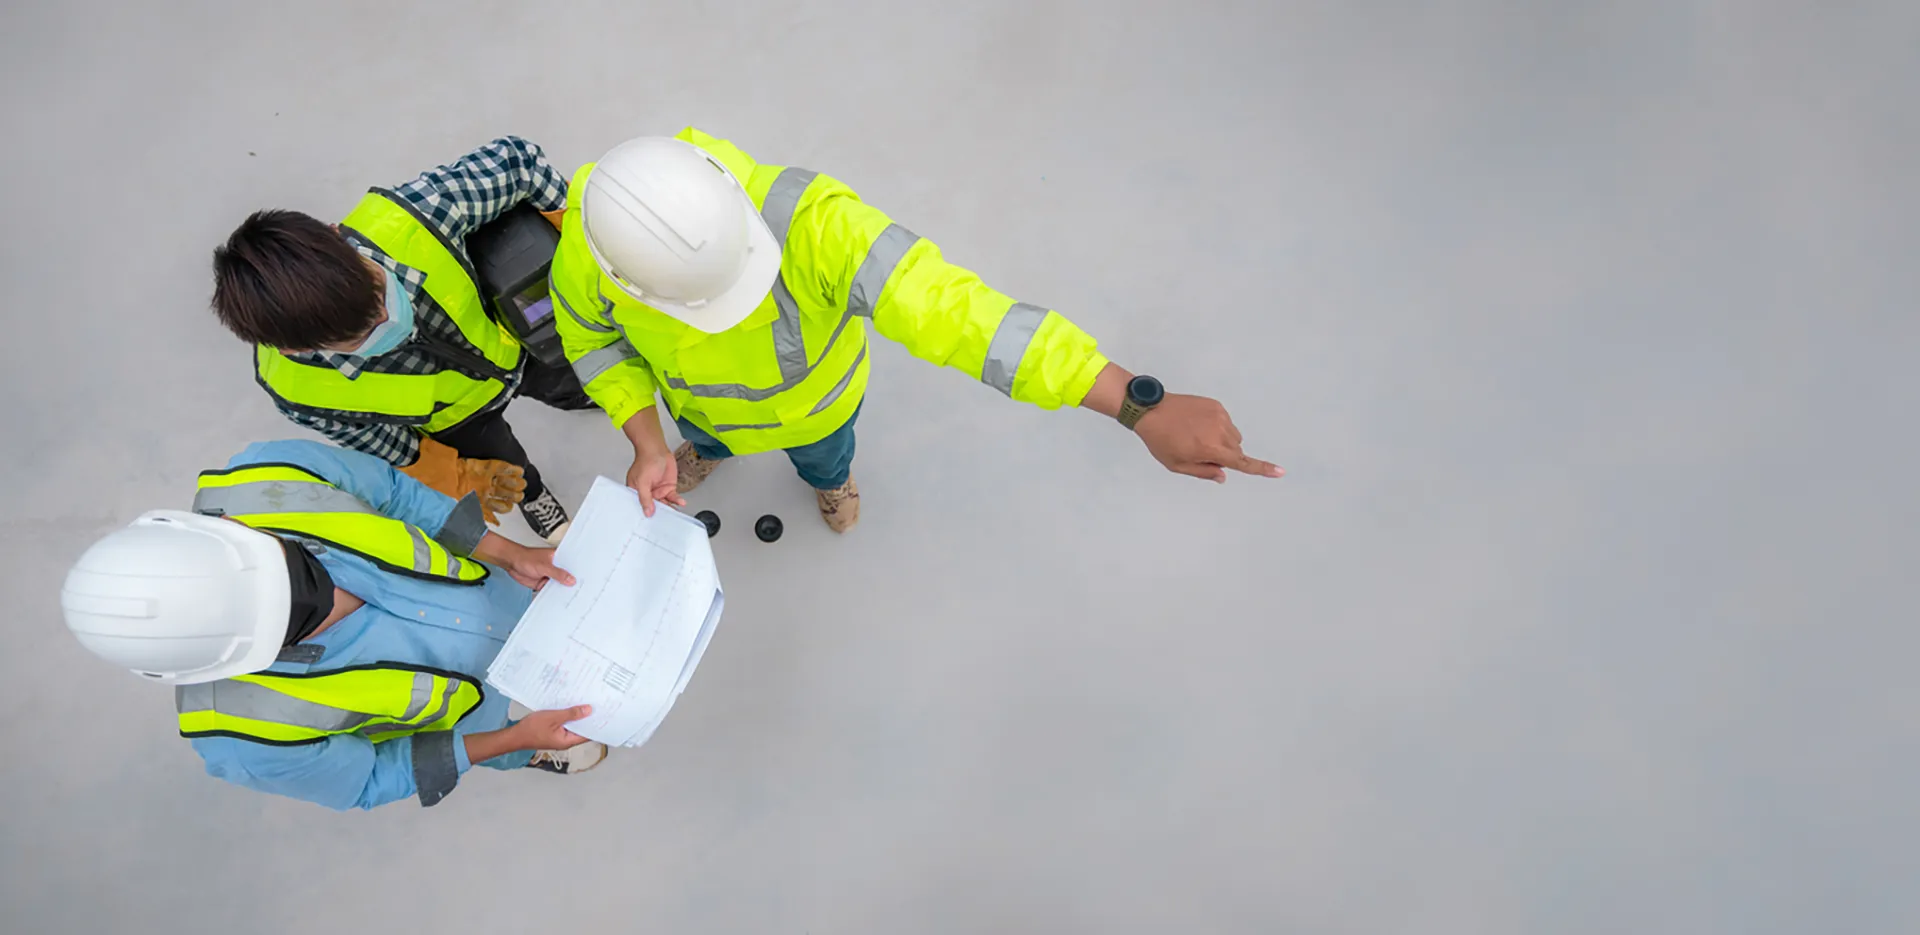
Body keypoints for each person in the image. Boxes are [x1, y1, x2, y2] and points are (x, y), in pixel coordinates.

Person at [549, 127, 1282, 532]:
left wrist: (1133, 401)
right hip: (704, 414)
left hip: (821, 411)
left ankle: (831, 481)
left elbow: (957, 312)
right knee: (703, 441)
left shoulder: (816, 224)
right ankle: (701, 450)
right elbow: (593, 344)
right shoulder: (590, 254)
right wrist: (649, 443)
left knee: (825, 458)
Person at [58, 439, 609, 811]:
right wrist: (515, 737)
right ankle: (531, 752)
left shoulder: (267, 476)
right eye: (292, 619)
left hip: (511, 589)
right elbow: (371, 779)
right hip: (499, 714)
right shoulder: (247, 740)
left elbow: (396, 494)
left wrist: (509, 552)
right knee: (530, 738)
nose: (324, 600)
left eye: (290, 565)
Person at [209, 136, 593, 543]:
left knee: (564, 377)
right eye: (360, 334)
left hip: (510, 341)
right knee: (507, 468)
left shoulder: (415, 218)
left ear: (337, 234)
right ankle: (535, 498)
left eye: (377, 290)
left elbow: (518, 163)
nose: (389, 318)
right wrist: (453, 473)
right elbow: (379, 439)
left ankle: (576, 395)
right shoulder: (298, 391)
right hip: (459, 418)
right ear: (296, 349)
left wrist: (574, 241)